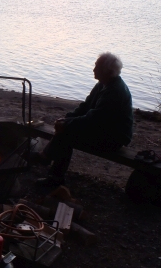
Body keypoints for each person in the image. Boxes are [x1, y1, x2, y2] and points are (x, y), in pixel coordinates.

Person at [36, 52, 134, 187]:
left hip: (114, 138)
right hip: (103, 129)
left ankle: (52, 172)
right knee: (66, 129)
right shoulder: (103, 84)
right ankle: (47, 161)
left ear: (108, 71)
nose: (93, 70)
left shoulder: (115, 91)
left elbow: (94, 119)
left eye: (97, 67)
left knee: (66, 134)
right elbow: (85, 107)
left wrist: (66, 124)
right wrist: (67, 118)